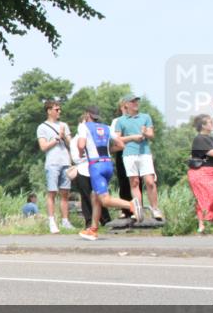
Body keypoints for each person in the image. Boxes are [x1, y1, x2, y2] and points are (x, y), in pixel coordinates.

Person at [76, 107, 139, 241]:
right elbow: (121, 145)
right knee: (95, 196)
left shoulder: (83, 126)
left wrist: (81, 153)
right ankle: (93, 229)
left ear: (87, 115)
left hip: (95, 166)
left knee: (104, 199)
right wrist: (109, 150)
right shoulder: (106, 127)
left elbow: (81, 145)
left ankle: (132, 205)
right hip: (108, 165)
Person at [113, 93, 163, 220]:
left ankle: (155, 209)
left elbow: (152, 135)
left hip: (144, 152)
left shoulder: (145, 117)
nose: (136, 103)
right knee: (134, 182)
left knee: (150, 182)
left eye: (136, 101)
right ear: (126, 104)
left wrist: (145, 133)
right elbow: (118, 139)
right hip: (129, 154)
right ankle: (138, 210)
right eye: (132, 101)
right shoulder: (120, 121)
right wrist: (133, 137)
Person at [36, 100, 73, 233]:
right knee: (52, 192)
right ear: (49, 111)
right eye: (56, 109)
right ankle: (52, 221)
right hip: (52, 163)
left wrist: (67, 138)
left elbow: (71, 144)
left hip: (66, 162)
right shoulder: (42, 127)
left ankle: (65, 221)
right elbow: (43, 146)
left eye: (60, 109)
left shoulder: (64, 125)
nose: (59, 112)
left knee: (65, 193)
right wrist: (57, 138)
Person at [70, 110, 111, 229]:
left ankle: (105, 220)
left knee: (99, 194)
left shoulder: (94, 137)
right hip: (83, 169)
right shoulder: (75, 141)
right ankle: (89, 222)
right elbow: (76, 157)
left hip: (95, 167)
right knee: (86, 197)